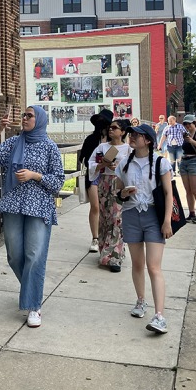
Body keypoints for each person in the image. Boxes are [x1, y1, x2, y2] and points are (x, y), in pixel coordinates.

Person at [0, 105, 65, 328]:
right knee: (14, 255)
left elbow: (58, 181)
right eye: (23, 115)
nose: (25, 118)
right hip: (13, 204)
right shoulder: (14, 142)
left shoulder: (49, 147)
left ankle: (34, 305)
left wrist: (34, 175)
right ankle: (31, 291)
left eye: (30, 115)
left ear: (39, 120)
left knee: (34, 254)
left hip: (38, 207)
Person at [115, 123, 174, 334]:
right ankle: (141, 301)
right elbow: (118, 191)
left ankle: (160, 316)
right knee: (137, 264)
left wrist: (167, 221)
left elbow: (169, 194)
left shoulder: (161, 163)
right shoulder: (123, 163)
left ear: (147, 140)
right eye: (131, 134)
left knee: (153, 266)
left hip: (152, 216)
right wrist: (123, 194)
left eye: (136, 135)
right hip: (131, 215)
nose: (131, 137)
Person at [88, 118, 131, 272]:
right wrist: (103, 164)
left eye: (115, 128)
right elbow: (91, 164)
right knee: (105, 218)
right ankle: (104, 250)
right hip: (104, 183)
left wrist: (120, 167)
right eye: (110, 128)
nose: (111, 130)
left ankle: (114, 257)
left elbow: (133, 167)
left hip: (119, 184)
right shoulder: (102, 147)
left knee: (116, 219)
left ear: (123, 132)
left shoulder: (128, 149)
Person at [78, 108, 114, 254]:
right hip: (94, 176)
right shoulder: (91, 139)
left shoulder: (114, 142)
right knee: (95, 207)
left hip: (110, 176)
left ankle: (108, 236)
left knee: (109, 208)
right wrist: (97, 163)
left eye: (104, 122)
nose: (101, 125)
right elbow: (83, 158)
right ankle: (95, 238)